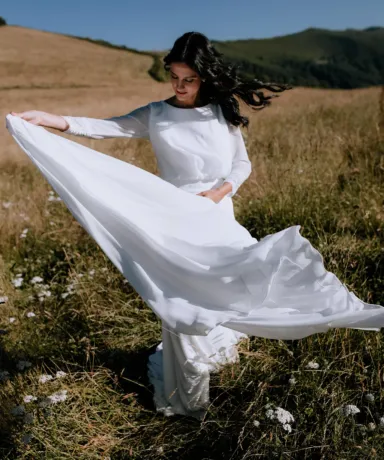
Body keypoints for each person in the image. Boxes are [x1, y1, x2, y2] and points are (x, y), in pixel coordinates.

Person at [7, 32, 384, 420]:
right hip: (174, 217)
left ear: (204, 77)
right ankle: (187, 399)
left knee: (229, 285)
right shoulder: (156, 113)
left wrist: (220, 192)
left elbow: (242, 164)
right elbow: (105, 127)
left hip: (217, 213)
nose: (180, 86)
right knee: (180, 302)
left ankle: (308, 319)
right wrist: (49, 120)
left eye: (189, 79)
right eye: (174, 77)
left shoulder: (222, 110)